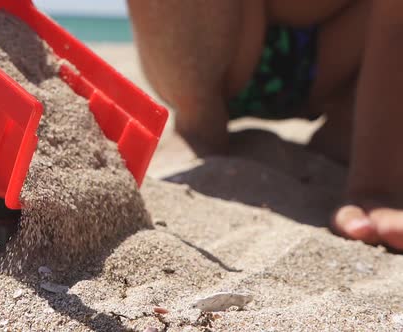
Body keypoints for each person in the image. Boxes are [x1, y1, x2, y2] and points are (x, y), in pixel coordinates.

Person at [127, 0, 403, 250]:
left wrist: (376, 186)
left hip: (340, 52)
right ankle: (199, 121)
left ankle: (352, 139)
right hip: (208, 41)